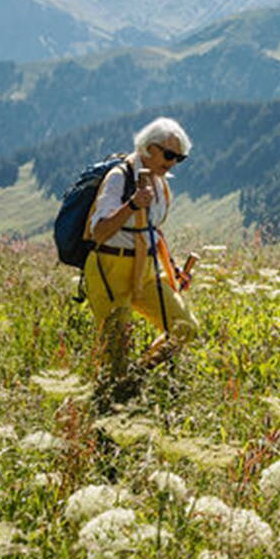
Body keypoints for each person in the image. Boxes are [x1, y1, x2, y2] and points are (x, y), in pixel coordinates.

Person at [84, 117, 199, 408]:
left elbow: (152, 231)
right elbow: (99, 231)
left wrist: (171, 270)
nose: (173, 163)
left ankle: (137, 375)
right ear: (148, 148)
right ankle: (110, 405)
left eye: (180, 158)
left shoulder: (161, 184)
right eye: (169, 155)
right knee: (115, 351)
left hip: (147, 269)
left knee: (186, 327)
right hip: (111, 268)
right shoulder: (119, 177)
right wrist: (133, 203)